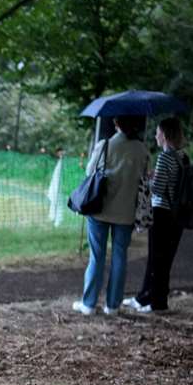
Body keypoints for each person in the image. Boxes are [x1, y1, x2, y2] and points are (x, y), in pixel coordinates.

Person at [72, 115, 149, 316]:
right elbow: (145, 177)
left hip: (100, 210)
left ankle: (88, 304)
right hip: (126, 213)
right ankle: (113, 306)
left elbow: (90, 172)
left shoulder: (105, 145)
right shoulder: (141, 149)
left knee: (97, 257)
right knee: (120, 257)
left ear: (116, 123)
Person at [127, 117, 186, 314]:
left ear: (165, 135)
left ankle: (157, 303)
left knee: (157, 259)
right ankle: (145, 296)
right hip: (175, 215)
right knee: (161, 259)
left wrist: (145, 180)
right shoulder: (181, 156)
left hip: (162, 213)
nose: (155, 135)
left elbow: (158, 189)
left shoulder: (165, 157)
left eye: (158, 132)